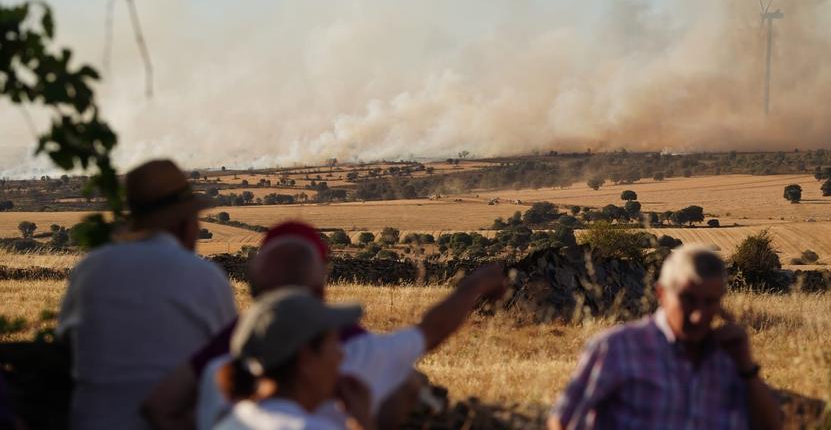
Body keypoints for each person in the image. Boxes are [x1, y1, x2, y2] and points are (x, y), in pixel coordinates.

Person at [142, 221, 507, 430]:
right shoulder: (354, 352)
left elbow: (159, 406)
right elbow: (428, 333)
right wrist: (477, 285)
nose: (337, 352)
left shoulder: (218, 370)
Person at [57, 159, 237, 430]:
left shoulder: (90, 269)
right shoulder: (206, 277)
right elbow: (227, 357)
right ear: (183, 223)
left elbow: (67, 341)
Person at [547, 245, 782, 430]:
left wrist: (746, 367)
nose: (699, 315)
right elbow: (563, 421)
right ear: (661, 293)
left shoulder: (729, 357)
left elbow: (772, 426)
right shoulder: (618, 347)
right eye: (688, 299)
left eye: (710, 302)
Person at [214, 286, 373, 430]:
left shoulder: (230, 423)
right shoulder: (311, 427)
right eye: (334, 345)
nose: (341, 355)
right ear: (305, 358)